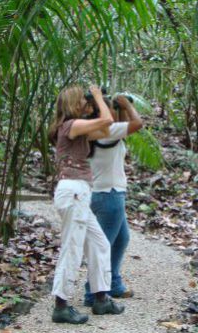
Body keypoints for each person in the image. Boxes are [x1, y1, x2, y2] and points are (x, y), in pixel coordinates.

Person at [48, 85, 125, 325]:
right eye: (82, 99)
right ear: (72, 103)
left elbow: (106, 126)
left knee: (100, 243)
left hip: (79, 193)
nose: (86, 101)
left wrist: (95, 103)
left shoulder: (78, 129)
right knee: (72, 247)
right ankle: (61, 305)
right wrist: (99, 98)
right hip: (73, 192)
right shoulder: (70, 126)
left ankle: (101, 298)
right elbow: (107, 118)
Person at [83, 94, 143, 306]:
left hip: (101, 193)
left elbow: (121, 125)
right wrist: (127, 105)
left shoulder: (93, 131)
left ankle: (114, 283)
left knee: (121, 239)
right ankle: (92, 292)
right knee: (104, 245)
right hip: (110, 196)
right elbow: (137, 124)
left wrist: (120, 108)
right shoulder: (106, 133)